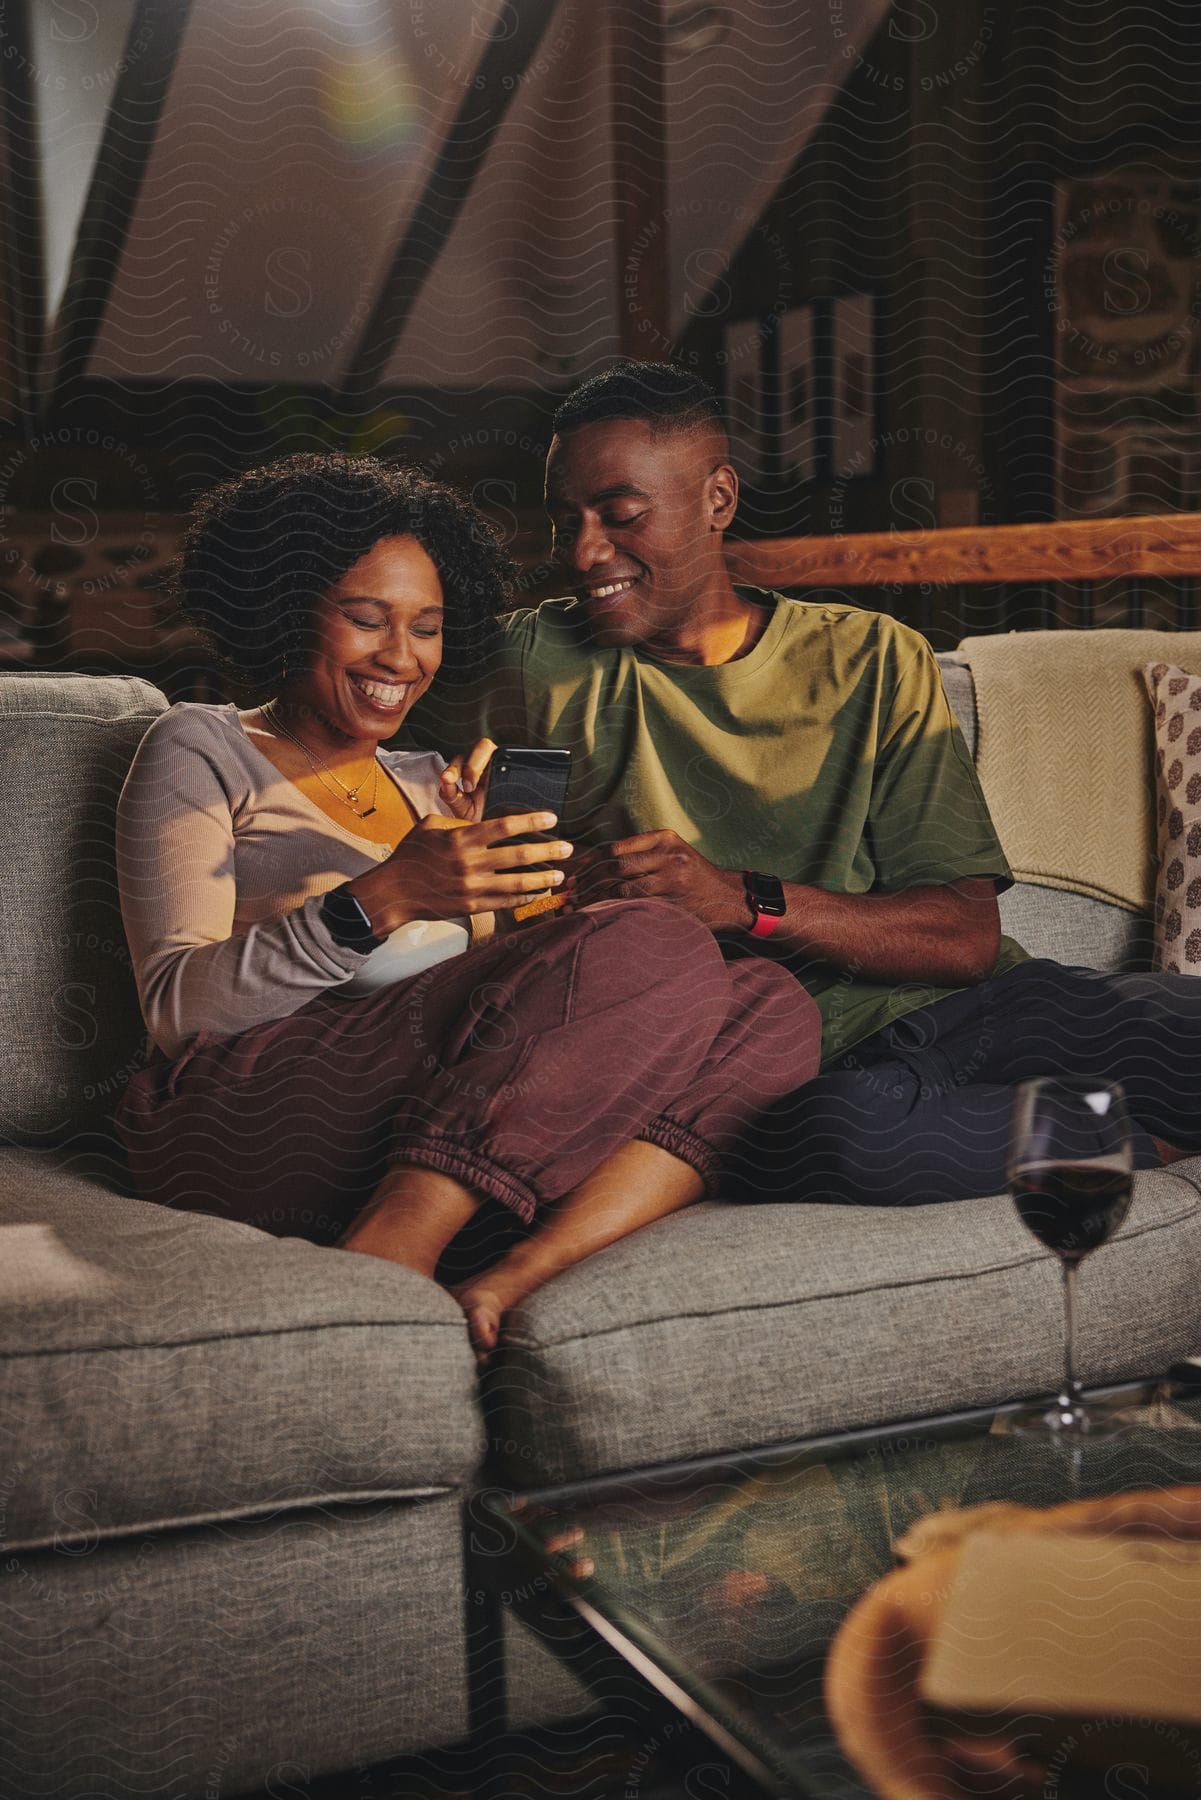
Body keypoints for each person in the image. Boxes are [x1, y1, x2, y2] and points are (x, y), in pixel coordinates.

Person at [413, 362, 1201, 1203]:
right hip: (803, 1073)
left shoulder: (870, 656)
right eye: (564, 520)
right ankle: (1125, 1140)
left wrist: (736, 899)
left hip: (988, 1011)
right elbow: (331, 709)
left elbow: (964, 938)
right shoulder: (532, 663)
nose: (582, 553)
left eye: (621, 516)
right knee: (835, 1141)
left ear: (717, 500)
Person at [113, 453, 822, 1361]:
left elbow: (492, 1017)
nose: (400, 659)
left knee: (766, 1000)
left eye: (428, 628)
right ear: (286, 609)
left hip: (414, 1117)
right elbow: (177, 1013)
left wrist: (528, 917)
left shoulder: (431, 788)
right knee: (652, 943)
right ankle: (390, 1257)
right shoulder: (203, 745)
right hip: (234, 1117)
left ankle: (517, 1273)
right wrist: (386, 896)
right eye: (365, 620)